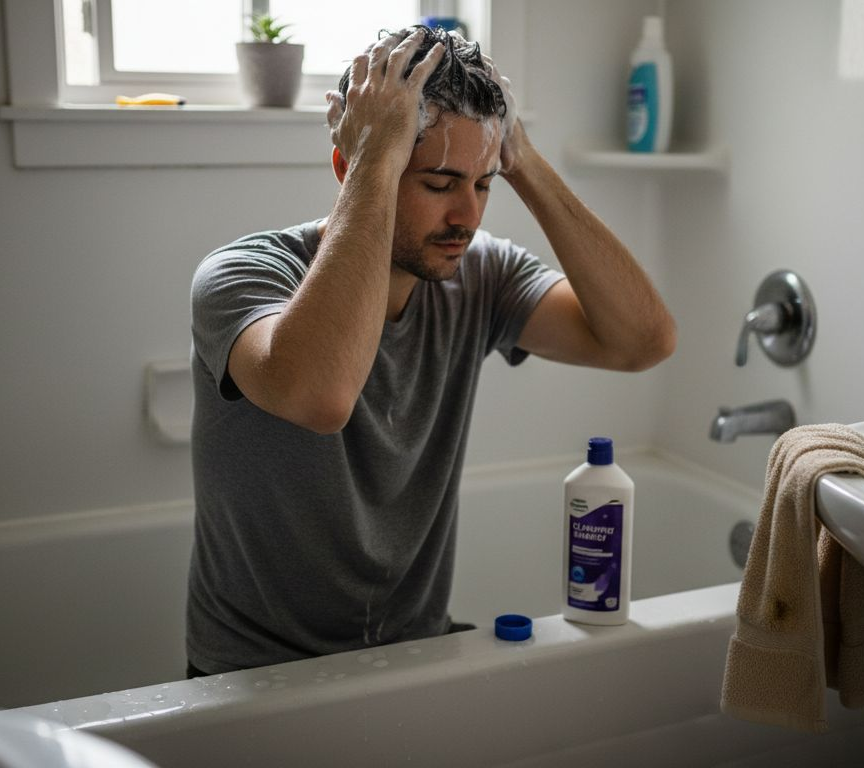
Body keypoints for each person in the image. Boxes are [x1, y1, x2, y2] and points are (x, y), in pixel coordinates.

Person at [186, 26, 675, 676]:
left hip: (414, 658)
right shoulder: (241, 276)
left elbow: (641, 341)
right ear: (351, 165)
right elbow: (322, 394)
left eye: (484, 184)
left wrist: (522, 160)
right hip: (256, 678)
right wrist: (376, 157)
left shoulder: (479, 275)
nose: (467, 217)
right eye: (440, 184)